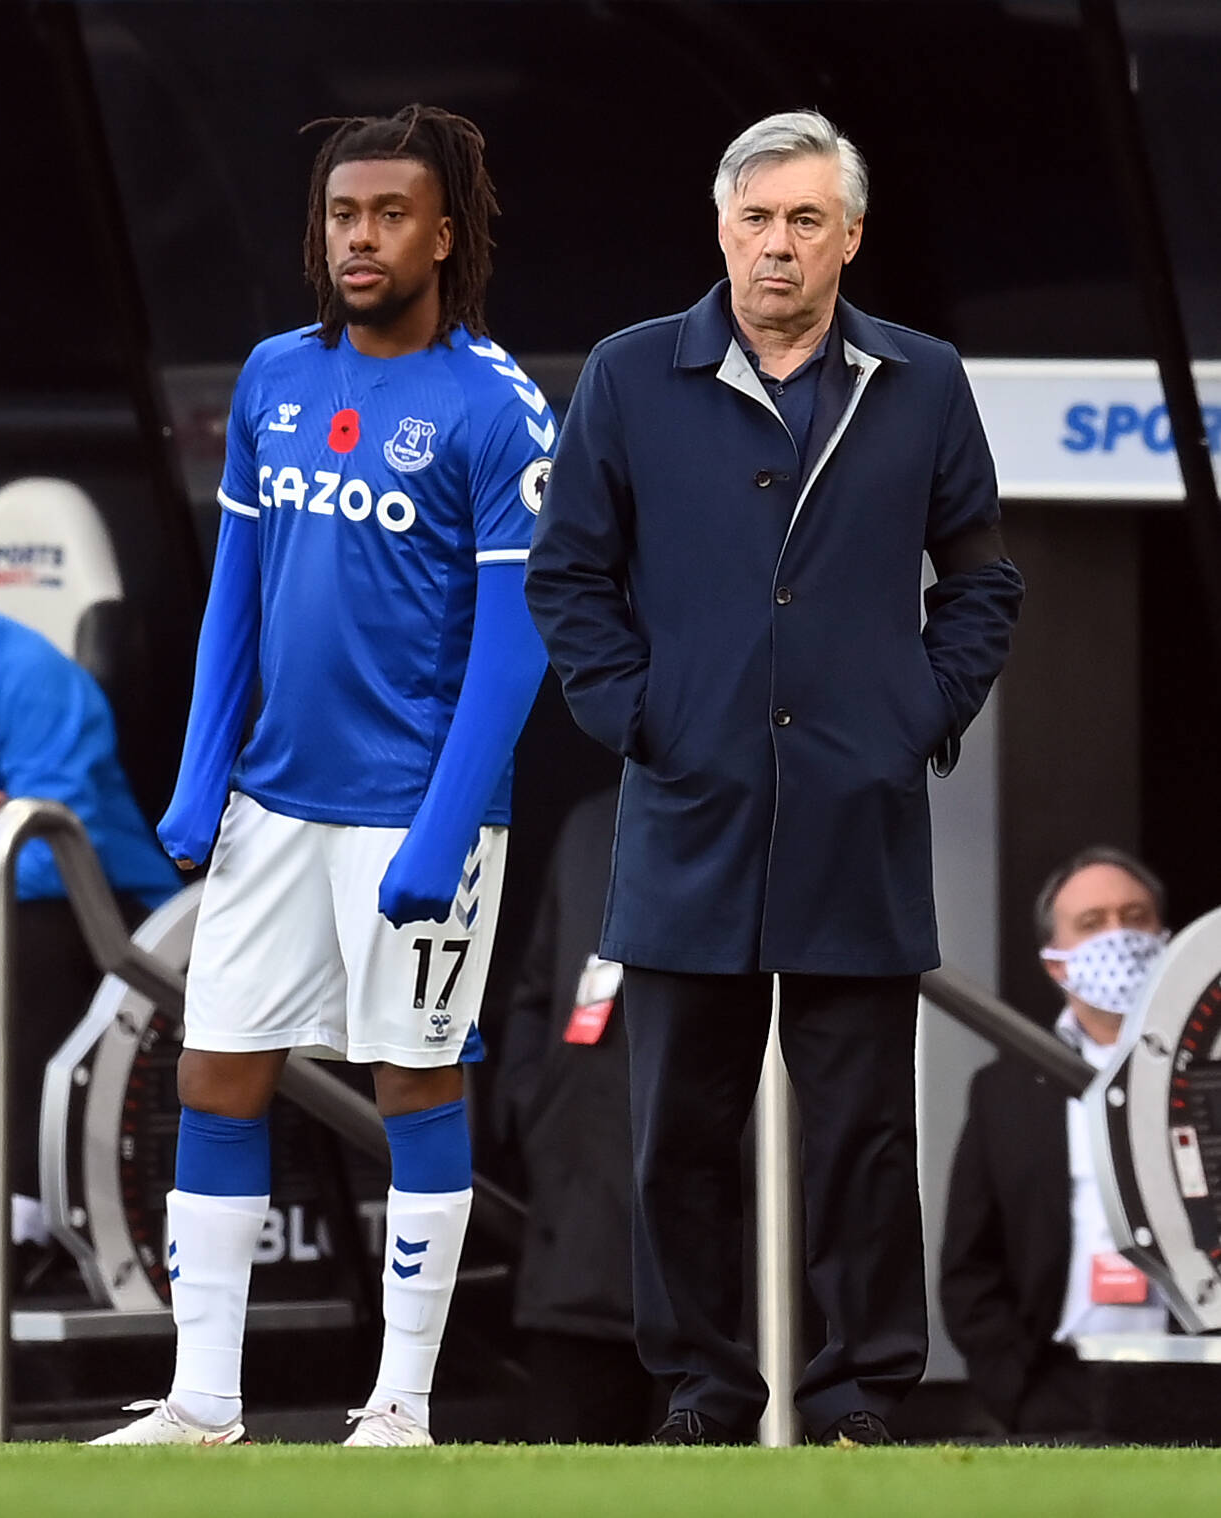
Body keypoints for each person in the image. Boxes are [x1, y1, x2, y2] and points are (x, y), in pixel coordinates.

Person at [525, 108, 1024, 1446]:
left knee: (862, 1136)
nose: (779, 245)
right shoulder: (631, 376)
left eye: (807, 219)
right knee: (676, 1136)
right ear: (722, 229)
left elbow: (981, 579)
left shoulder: (922, 378)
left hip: (857, 816)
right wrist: (645, 716)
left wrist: (914, 711)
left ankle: (858, 1394)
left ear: (850, 235)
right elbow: (567, 579)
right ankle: (699, 1388)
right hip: (689, 810)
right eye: (756, 218)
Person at [92, 105, 553, 1448]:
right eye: (343, 213)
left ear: (444, 234)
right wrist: (196, 776)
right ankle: (204, 1401)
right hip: (271, 808)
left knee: (416, 1078)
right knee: (215, 1072)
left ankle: (400, 1403)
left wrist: (443, 832)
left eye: (390, 213)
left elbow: (519, 645)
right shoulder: (272, 378)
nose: (361, 236)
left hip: (416, 811)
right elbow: (239, 589)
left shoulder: (496, 405)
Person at [0, 586, 179, 1294]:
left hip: (114, 914)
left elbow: (48, 855)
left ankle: (22, 1223)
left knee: (24, 934)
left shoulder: (29, 676)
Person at [941, 848, 1171, 1438]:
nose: (1119, 936)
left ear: (1166, 936)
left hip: (1196, 1375)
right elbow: (971, 1265)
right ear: (1056, 961)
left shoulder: (1209, 1072)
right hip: (1060, 1389)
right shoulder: (1006, 1090)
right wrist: (1016, 1391)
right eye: (1092, 924)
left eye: (1135, 916)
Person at [494, 785, 657, 1443]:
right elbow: (537, 994)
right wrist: (541, 1111)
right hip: (578, 1251)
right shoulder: (591, 824)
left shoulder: (766, 818)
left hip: (716, 1277)